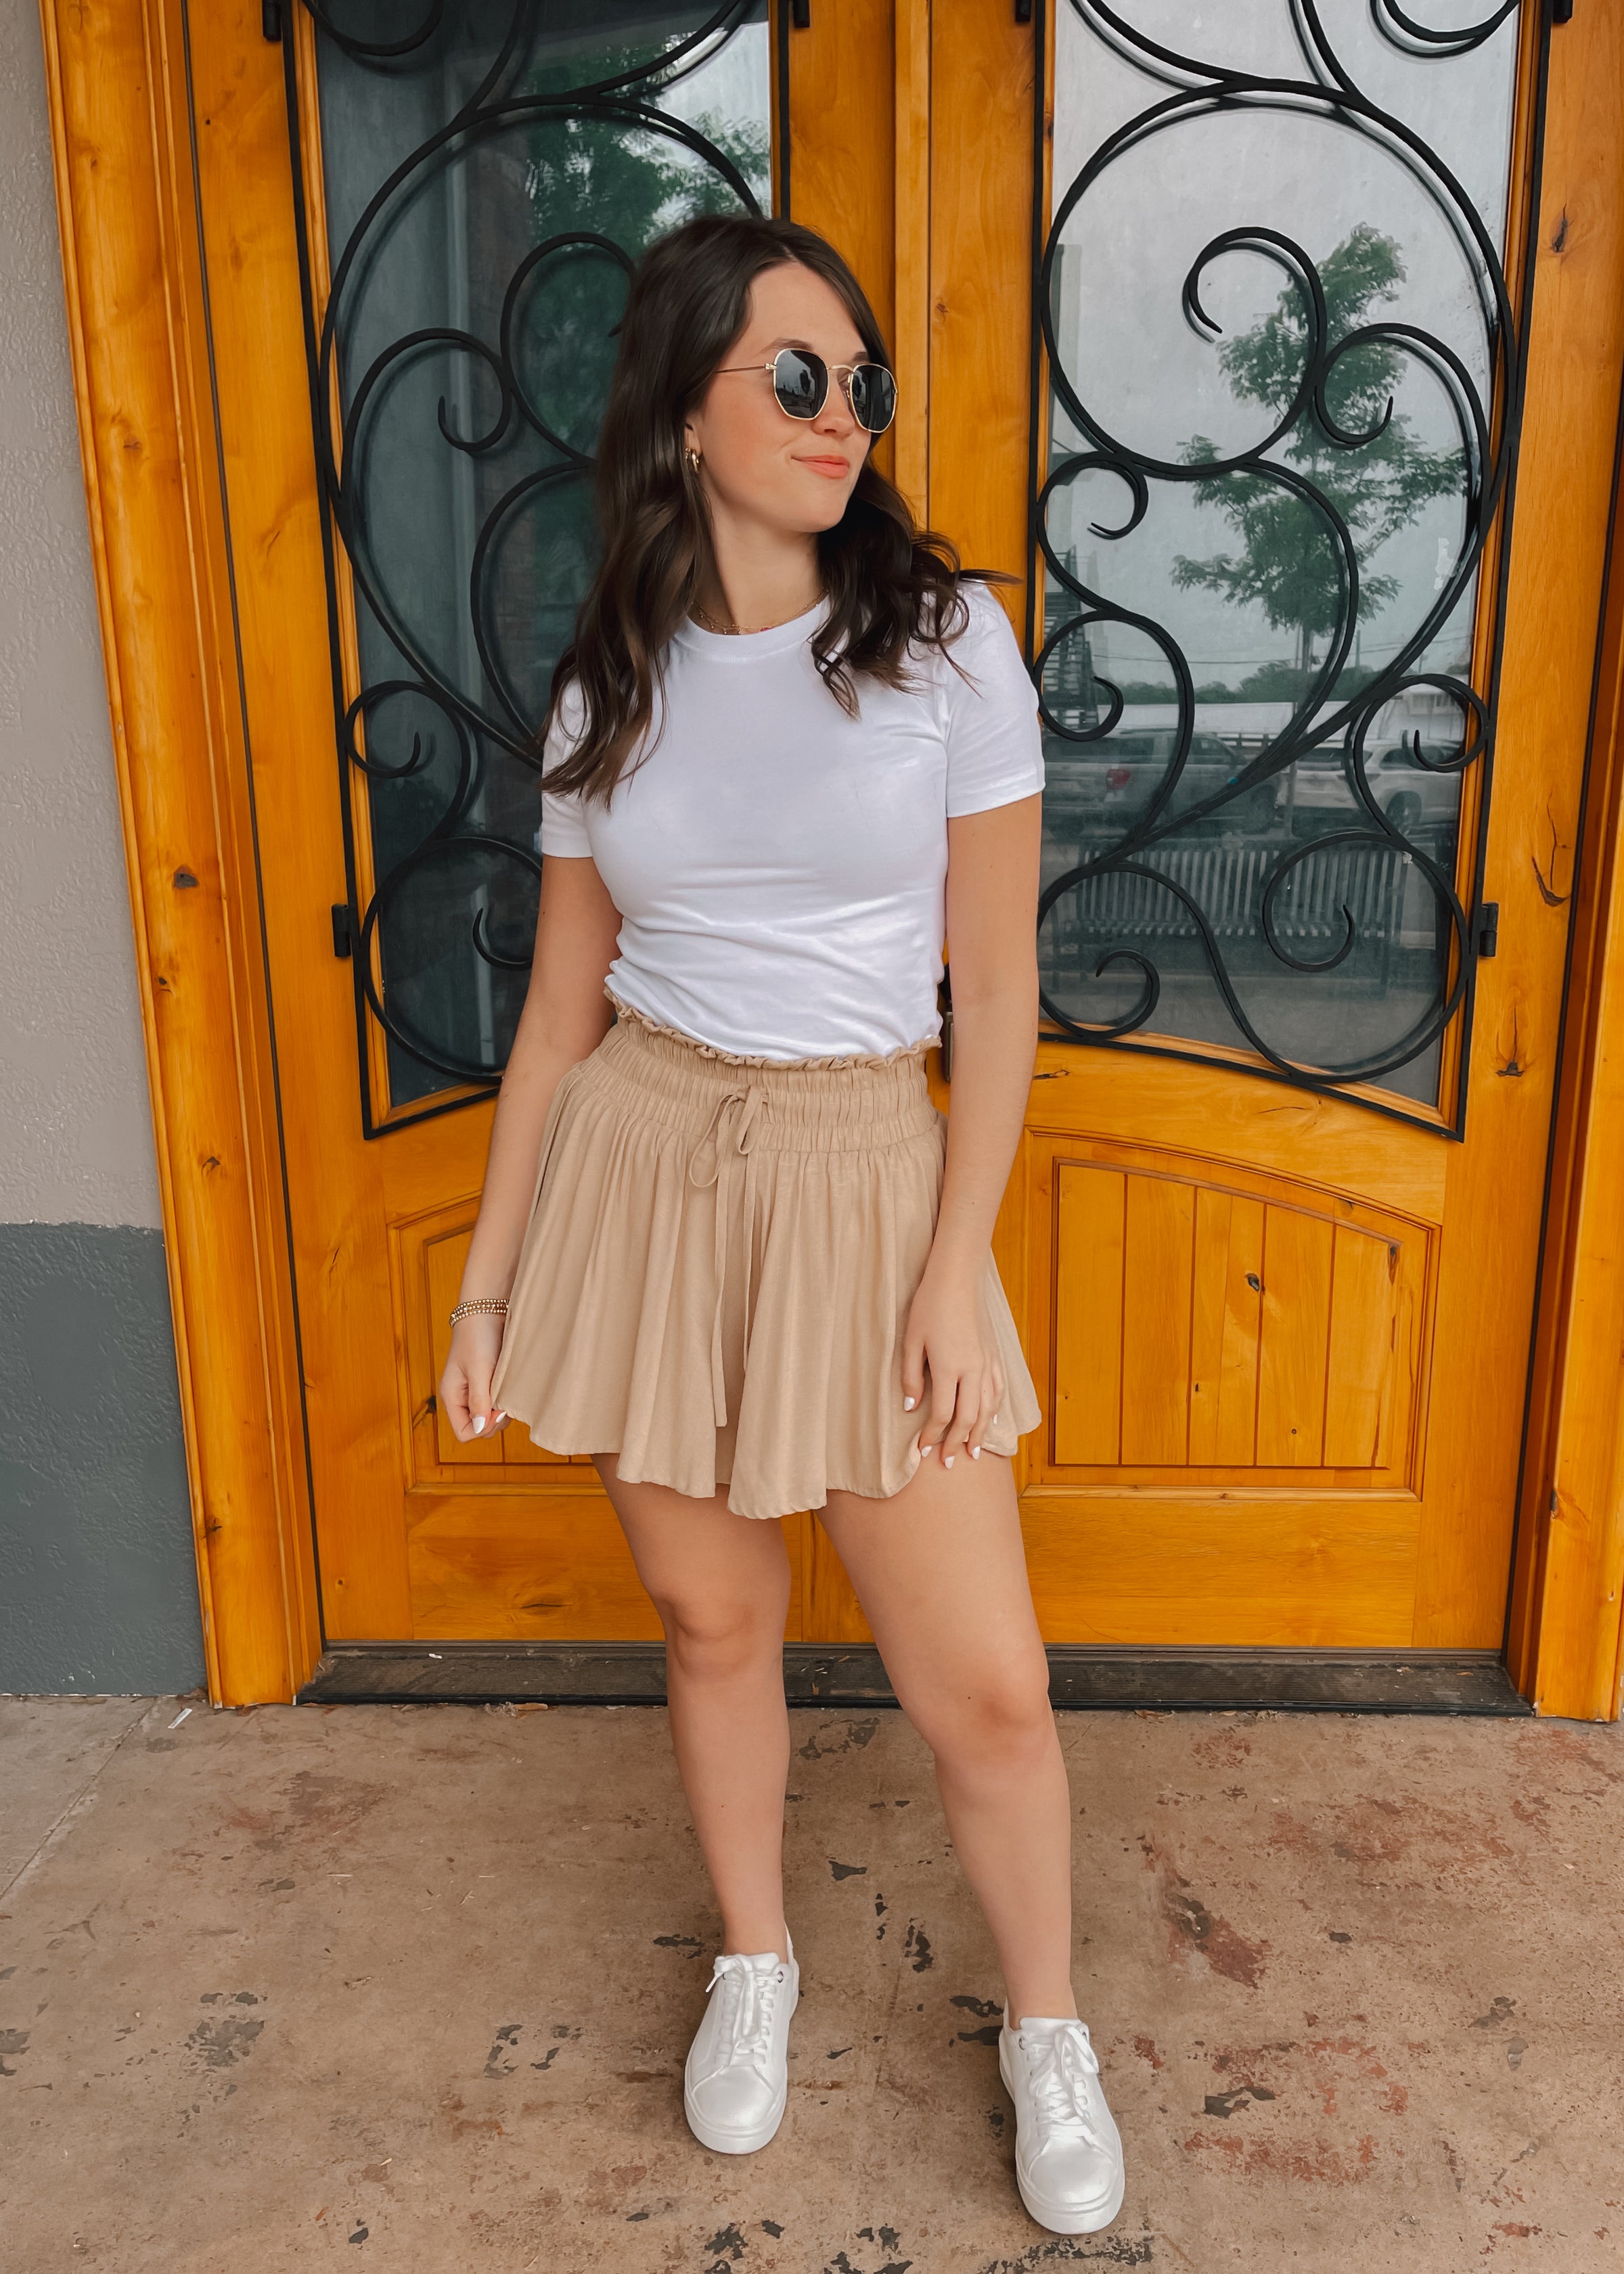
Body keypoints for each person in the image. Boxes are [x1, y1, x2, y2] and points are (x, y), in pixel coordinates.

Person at [438, 212, 1125, 2239]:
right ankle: (758, 1958)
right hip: (648, 1164)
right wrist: (487, 1283)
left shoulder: (945, 645)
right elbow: (559, 1016)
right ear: (684, 409)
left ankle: (1048, 2025)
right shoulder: (610, 682)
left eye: (864, 385)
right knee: (713, 1619)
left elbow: (997, 994)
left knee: (984, 1685)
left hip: (862, 1168)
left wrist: (950, 1265)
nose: (844, 419)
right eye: (799, 378)